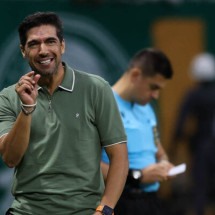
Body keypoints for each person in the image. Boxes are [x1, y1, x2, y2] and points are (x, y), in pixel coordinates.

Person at [0, 11, 128, 215]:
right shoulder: (8, 97)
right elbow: (10, 158)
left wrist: (105, 208)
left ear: (62, 46)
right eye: (34, 44)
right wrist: (27, 109)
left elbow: (119, 156)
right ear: (23, 50)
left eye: (50, 41)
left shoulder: (97, 88)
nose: (43, 50)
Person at [101, 48, 174, 215]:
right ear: (135, 75)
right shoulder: (103, 105)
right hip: (119, 201)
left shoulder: (146, 108)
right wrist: (138, 176)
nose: (156, 95)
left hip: (151, 201)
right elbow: (89, 165)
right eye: (153, 87)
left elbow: (159, 152)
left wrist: (164, 164)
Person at [172, 53, 215, 215]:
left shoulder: (194, 94)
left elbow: (180, 124)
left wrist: (174, 147)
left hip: (202, 147)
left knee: (200, 188)